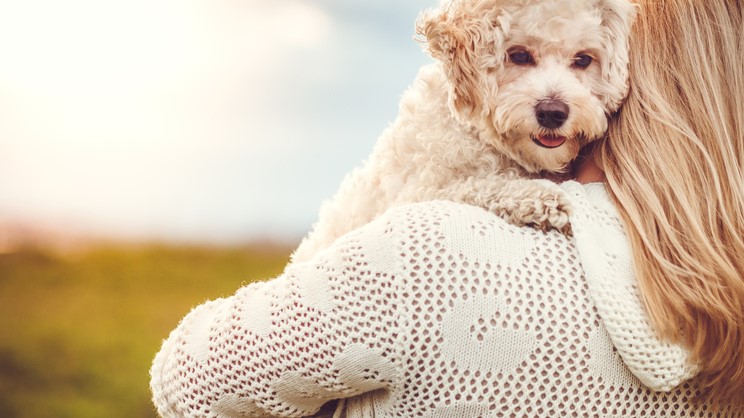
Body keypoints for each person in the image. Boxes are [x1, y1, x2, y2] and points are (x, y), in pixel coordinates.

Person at [149, 0, 744, 416]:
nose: (557, 95)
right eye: (522, 57)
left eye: (582, 62)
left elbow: (187, 378)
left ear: (627, 82)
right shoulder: (725, 324)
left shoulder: (431, 254)